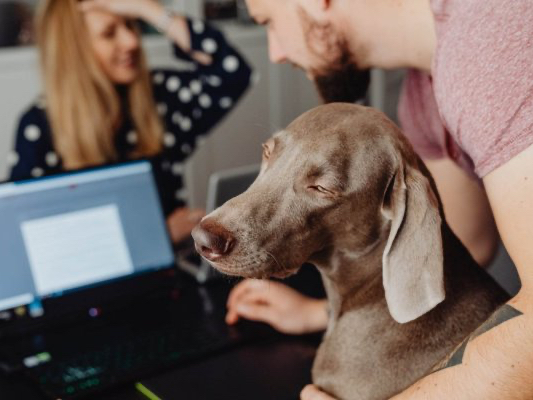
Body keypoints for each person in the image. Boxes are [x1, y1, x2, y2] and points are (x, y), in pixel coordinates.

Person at [226, 1, 533, 399]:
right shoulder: (423, 92)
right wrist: (320, 314)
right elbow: (459, 243)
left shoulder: (495, 49)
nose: (275, 53)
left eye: (268, 21)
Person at [8, 0, 252, 244]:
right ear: (72, 49)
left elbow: (232, 72)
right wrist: (160, 235)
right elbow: (32, 243)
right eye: (109, 33)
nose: (132, 42)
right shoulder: (38, 128)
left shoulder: (158, 97)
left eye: (131, 24)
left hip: (173, 274)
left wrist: (148, 9)